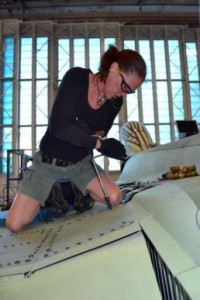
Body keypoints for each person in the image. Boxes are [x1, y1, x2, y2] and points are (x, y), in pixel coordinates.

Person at [6, 45, 146, 232]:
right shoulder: (76, 77)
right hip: (49, 160)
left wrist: (96, 137)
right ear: (113, 68)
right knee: (14, 224)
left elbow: (101, 130)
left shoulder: (115, 102)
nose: (123, 94)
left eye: (130, 91)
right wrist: (97, 142)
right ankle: (51, 193)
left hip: (80, 161)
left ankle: (77, 189)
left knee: (114, 198)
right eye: (125, 86)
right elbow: (58, 127)